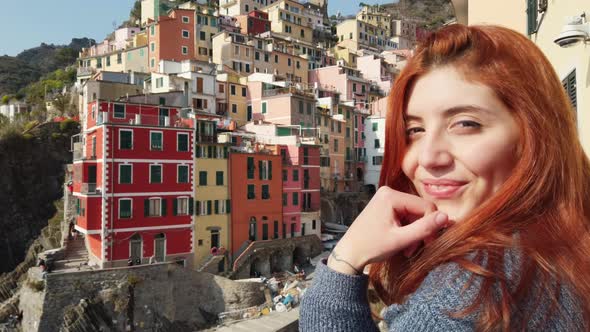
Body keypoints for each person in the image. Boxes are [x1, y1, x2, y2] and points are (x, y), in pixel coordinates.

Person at [300, 24, 590, 331]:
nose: (427, 157)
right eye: (415, 130)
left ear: (532, 135)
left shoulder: (465, 297)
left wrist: (344, 263)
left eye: (465, 124)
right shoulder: (563, 242)